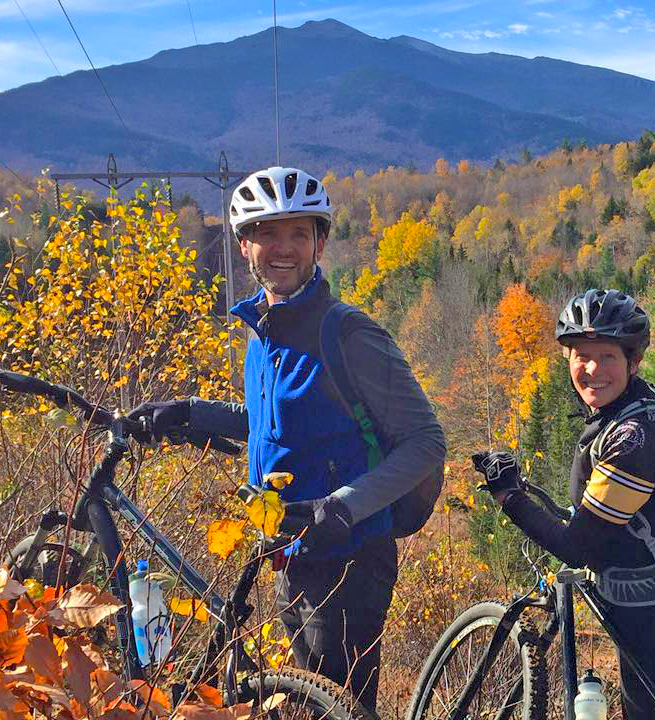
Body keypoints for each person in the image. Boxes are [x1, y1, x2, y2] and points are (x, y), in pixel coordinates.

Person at [130, 167, 446, 712]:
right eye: (267, 233)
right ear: (244, 244)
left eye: (298, 234)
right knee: (303, 703)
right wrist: (187, 414)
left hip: (348, 558)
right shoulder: (264, 333)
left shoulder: (349, 334)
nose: (283, 248)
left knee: (337, 706)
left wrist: (342, 506)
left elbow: (426, 442)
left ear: (319, 243)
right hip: (288, 551)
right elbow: (270, 422)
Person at [472, 288, 655, 720]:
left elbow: (580, 547)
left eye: (607, 356)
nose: (592, 369)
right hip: (640, 603)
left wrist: (509, 497)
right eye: (580, 355)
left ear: (632, 361)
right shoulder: (644, 401)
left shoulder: (633, 438)